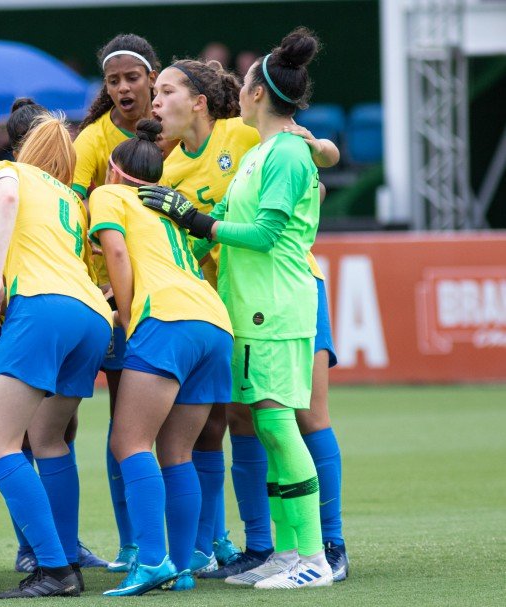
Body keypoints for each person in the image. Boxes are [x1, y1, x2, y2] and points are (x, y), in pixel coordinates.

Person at [141, 27, 334, 589]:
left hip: (276, 305)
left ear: (255, 95)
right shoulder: (259, 157)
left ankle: (314, 557)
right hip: (246, 308)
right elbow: (212, 234)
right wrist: (176, 234)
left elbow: (269, 233)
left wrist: (198, 219)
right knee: (268, 431)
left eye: (244, 85)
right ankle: (288, 552)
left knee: (277, 426)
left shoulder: (287, 154)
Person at [89, 119, 234, 595]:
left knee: (128, 444)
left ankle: (150, 560)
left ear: (114, 170)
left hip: (166, 322)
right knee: (178, 452)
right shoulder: (165, 209)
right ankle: (184, 564)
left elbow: (115, 249)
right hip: (214, 323)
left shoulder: (109, 196)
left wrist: (128, 317)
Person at [0, 114, 112, 598]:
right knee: (49, 438)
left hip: (42, 306)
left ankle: (54, 568)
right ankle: (66, 556)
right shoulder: (72, 200)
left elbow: (8, 199)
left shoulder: (7, 171)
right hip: (94, 316)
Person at [72, 33, 161, 574]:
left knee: (198, 424)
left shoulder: (175, 129)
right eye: (114, 80)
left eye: (133, 77)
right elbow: (74, 213)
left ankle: (206, 540)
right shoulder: (92, 142)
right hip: (115, 300)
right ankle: (133, 543)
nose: (124, 87)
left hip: (175, 297)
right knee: (126, 421)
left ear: (153, 78)